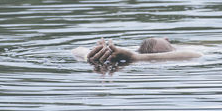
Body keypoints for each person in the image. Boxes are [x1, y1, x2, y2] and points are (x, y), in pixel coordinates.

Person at [72, 37, 202, 65]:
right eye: (167, 42)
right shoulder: (190, 50)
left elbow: (77, 49)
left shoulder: (129, 52)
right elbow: (196, 55)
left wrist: (86, 54)